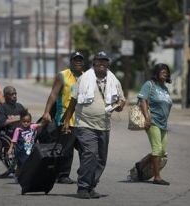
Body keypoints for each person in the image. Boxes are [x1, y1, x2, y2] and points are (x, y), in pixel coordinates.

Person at [62, 51, 126, 199]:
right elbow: (73, 101)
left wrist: (120, 105)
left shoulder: (114, 80)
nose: (102, 64)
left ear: (108, 64)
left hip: (104, 125)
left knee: (101, 159)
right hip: (85, 124)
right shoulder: (84, 78)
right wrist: (66, 121)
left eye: (104, 61)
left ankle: (91, 186)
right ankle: (83, 187)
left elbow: (122, 102)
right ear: (94, 63)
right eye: (99, 61)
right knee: (90, 155)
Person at [42, 51, 85, 184]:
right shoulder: (62, 76)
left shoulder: (86, 76)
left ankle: (84, 174)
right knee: (67, 148)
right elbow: (54, 94)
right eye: (75, 60)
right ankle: (62, 175)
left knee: (85, 148)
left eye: (80, 60)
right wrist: (47, 112)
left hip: (82, 119)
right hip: (65, 117)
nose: (78, 62)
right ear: (71, 61)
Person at [135, 63, 172, 185]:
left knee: (162, 151)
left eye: (166, 71)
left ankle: (141, 165)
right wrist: (147, 117)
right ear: (156, 73)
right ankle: (157, 177)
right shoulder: (149, 84)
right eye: (162, 71)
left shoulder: (165, 88)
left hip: (163, 124)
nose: (164, 73)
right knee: (157, 149)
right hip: (153, 121)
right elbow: (142, 100)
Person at [8, 109, 45, 181]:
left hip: (30, 149)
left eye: (28, 122)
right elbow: (14, 141)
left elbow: (41, 124)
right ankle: (16, 175)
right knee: (20, 165)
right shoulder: (18, 130)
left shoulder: (32, 127)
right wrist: (10, 149)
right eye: (24, 122)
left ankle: (28, 177)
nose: (26, 123)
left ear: (30, 121)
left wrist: (45, 118)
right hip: (20, 151)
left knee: (29, 164)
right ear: (20, 121)